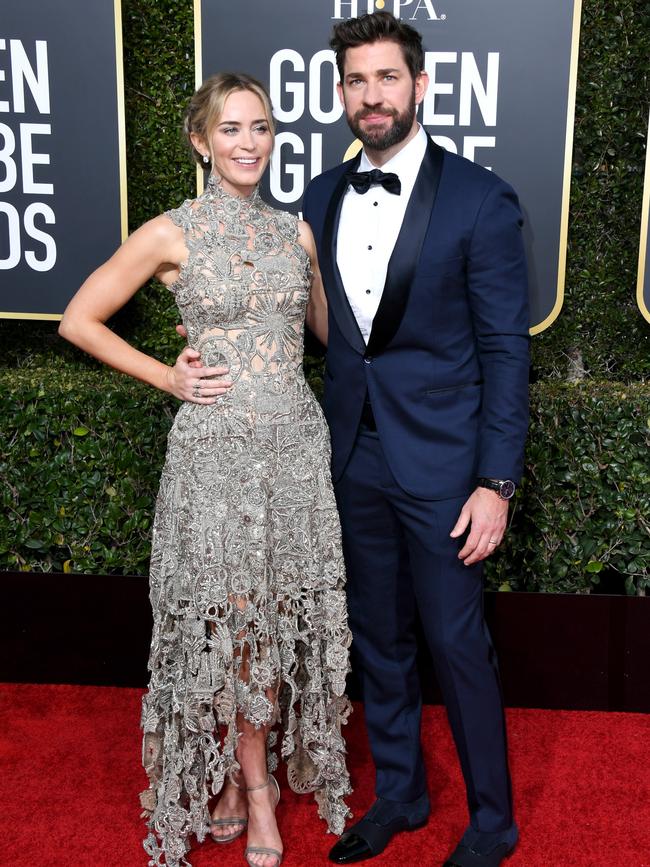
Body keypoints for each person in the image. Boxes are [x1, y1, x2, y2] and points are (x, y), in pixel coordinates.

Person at [58, 72, 352, 867]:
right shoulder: (170, 233)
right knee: (237, 622)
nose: (248, 143)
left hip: (293, 451)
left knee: (275, 620)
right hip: (216, 456)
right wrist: (168, 376)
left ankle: (235, 773)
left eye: (260, 127)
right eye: (230, 129)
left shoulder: (296, 233)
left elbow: (331, 333)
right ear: (200, 141)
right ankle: (256, 792)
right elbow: (78, 318)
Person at [301, 12, 530, 867]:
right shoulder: (320, 195)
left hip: (444, 471)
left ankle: (494, 821)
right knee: (378, 638)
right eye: (356, 81)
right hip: (352, 458)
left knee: (456, 643)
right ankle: (398, 792)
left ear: (420, 86)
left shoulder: (480, 198)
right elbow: (326, 330)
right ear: (341, 93)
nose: (372, 96)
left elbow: (508, 350)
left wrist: (495, 482)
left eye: (386, 78)